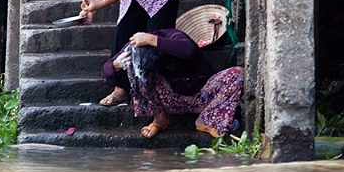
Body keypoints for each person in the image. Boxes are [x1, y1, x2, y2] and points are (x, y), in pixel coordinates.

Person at [101, 28, 244, 138]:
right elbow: (105, 71)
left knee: (238, 73)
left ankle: (207, 120)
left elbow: (188, 50)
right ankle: (160, 119)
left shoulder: (171, 35)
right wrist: (116, 64)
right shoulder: (133, 46)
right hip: (170, 100)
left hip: (203, 96)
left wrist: (153, 40)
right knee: (137, 68)